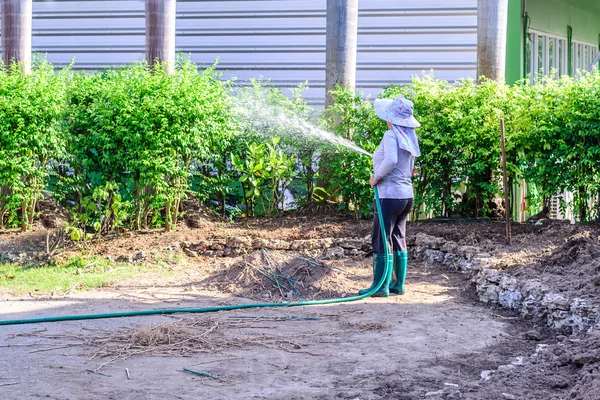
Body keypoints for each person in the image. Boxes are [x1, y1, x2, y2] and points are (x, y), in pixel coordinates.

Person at [359, 96, 421, 297]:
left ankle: (380, 287)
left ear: (392, 119)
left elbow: (391, 160)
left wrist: (376, 178)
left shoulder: (391, 134)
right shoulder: (409, 137)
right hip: (406, 196)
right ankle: (397, 284)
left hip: (390, 196)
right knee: (398, 236)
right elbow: (408, 166)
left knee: (381, 238)